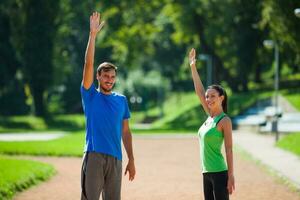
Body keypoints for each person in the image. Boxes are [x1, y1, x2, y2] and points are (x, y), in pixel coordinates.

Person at [80, 12, 135, 200]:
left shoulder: (121, 100)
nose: (109, 80)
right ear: (98, 76)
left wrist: (131, 159)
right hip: (94, 156)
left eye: (112, 77)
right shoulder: (90, 96)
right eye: (105, 76)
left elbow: (126, 132)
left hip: (116, 159)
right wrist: (92, 35)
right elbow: (88, 64)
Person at [189, 48, 235, 200]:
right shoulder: (209, 117)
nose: (208, 99)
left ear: (221, 98)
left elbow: (229, 149)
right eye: (208, 97)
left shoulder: (224, 120)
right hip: (206, 172)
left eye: (213, 96)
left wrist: (231, 176)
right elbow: (199, 92)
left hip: (219, 173)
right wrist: (192, 66)